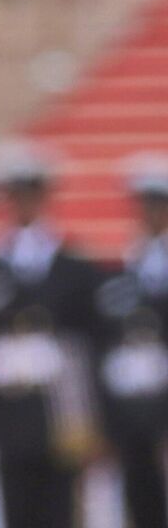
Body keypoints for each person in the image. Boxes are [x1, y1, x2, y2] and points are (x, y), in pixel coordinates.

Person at [0, 141, 102, 528]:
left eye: (32, 192)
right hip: (4, 410)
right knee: (12, 510)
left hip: (60, 409)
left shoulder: (74, 266)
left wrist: (95, 422)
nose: (24, 202)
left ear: (45, 196)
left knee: (59, 509)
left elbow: (91, 342)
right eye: (16, 194)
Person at [92, 152, 168, 528]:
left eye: (160, 205)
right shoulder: (124, 269)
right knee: (140, 500)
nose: (152, 213)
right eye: (146, 205)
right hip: (132, 409)